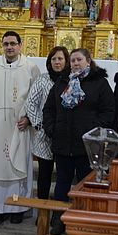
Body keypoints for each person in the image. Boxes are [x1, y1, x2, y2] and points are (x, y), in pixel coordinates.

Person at [43, 48, 114, 235]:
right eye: (72, 61)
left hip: (87, 146)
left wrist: (92, 130)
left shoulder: (99, 83)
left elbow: (108, 112)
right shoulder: (62, 82)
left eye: (79, 60)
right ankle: (59, 220)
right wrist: (52, 129)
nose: (75, 63)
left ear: (88, 61)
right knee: (62, 184)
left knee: (85, 184)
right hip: (63, 143)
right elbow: (49, 109)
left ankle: (83, 221)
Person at [0, 31, 40, 223]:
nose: (9, 47)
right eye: (6, 44)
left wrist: (29, 118)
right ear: (2, 46)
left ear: (20, 45)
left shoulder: (30, 68)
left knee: (17, 165)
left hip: (18, 127)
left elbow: (36, 98)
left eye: (13, 43)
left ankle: (17, 209)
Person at [25, 46, 69, 202]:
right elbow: (30, 103)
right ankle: (42, 211)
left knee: (64, 175)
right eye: (54, 59)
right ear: (49, 62)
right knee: (44, 174)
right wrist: (39, 125)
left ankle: (59, 210)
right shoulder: (42, 79)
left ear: (66, 61)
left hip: (65, 135)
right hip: (45, 134)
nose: (57, 62)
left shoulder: (72, 80)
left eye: (60, 59)